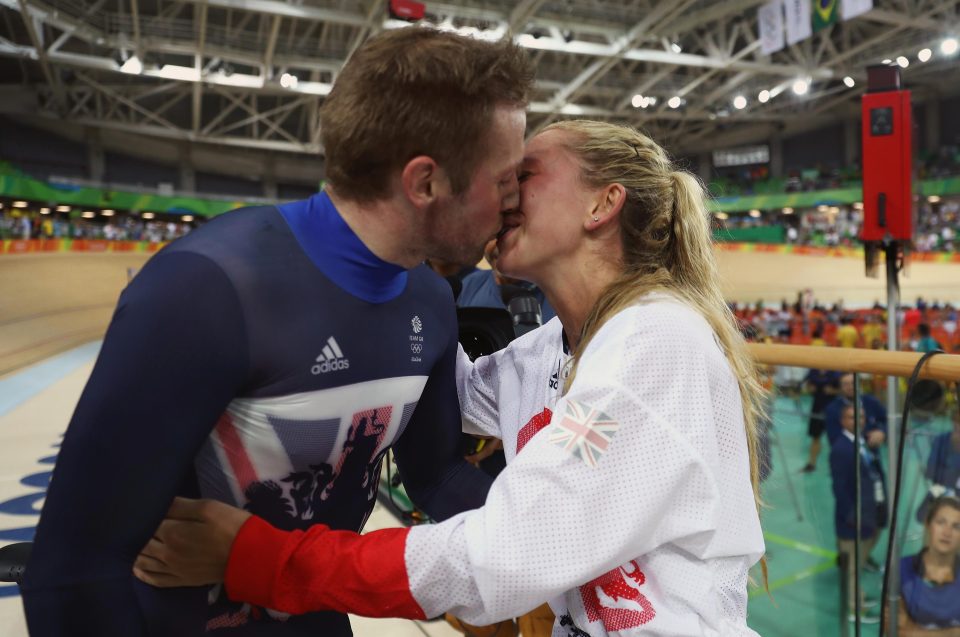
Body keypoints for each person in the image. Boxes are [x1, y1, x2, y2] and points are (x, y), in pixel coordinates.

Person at [135, 120, 767, 635]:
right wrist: (403, 255)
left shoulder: (658, 342)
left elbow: (503, 558)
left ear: (603, 204)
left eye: (525, 176)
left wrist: (258, 559)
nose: (503, 195)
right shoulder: (550, 349)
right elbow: (425, 388)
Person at [21, 27, 534, 636]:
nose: (512, 203)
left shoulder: (429, 298)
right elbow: (74, 568)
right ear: (425, 183)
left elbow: (436, 473)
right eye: (504, 182)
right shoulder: (207, 288)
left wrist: (564, 549)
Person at [829, 403, 888, 624]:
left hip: (871, 515)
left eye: (861, 417)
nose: (859, 421)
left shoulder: (864, 443)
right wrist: (853, 520)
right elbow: (840, 491)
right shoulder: (841, 449)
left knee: (860, 563)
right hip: (855, 521)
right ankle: (855, 608)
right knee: (853, 568)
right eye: (852, 417)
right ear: (843, 421)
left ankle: (859, 597)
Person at [899, 496, 960, 636]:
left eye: (956, 527)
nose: (947, 533)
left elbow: (909, 632)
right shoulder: (901, 569)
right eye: (940, 522)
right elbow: (896, 630)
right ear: (928, 525)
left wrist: (915, 631)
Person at [458, 238, 556, 323]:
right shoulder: (470, 285)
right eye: (492, 236)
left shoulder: (556, 290)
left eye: (508, 232)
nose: (499, 245)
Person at [824, 373, 887, 447]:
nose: (850, 387)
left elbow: (887, 420)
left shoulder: (871, 402)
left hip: (873, 453)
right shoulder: (832, 409)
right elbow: (833, 438)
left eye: (853, 383)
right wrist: (865, 439)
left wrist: (882, 432)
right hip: (848, 453)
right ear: (840, 387)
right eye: (846, 384)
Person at [801, 367, 841, 472]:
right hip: (817, 407)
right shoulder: (813, 371)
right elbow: (806, 386)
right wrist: (810, 388)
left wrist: (834, 391)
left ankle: (837, 465)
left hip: (832, 408)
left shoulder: (836, 372)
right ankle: (811, 463)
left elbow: (843, 389)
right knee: (815, 437)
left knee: (835, 439)